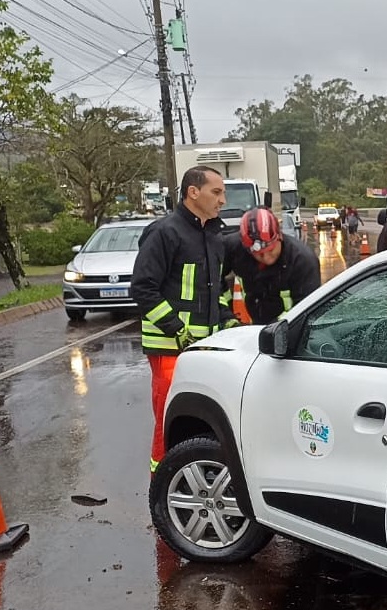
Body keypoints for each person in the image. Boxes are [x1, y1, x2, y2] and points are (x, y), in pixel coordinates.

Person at [131, 165, 232, 475]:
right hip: (170, 349)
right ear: (193, 192)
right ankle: (161, 488)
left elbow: (217, 290)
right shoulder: (165, 232)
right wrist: (177, 330)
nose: (223, 200)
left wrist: (228, 323)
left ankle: (194, 476)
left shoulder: (214, 236)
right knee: (168, 419)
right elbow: (143, 288)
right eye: (216, 192)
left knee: (201, 418)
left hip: (204, 348)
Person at [223, 207, 320, 324]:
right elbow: (211, 279)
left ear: (279, 236)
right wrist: (226, 316)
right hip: (253, 320)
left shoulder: (302, 260)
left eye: (271, 250)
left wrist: (273, 330)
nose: (266, 258)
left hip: (289, 326)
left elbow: (306, 310)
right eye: (258, 254)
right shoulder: (233, 248)